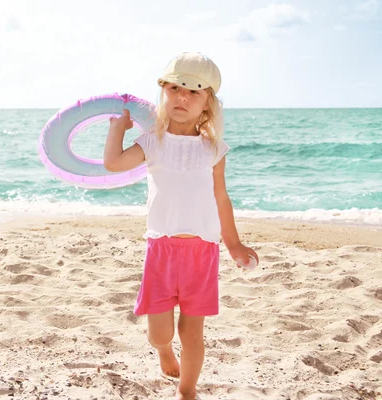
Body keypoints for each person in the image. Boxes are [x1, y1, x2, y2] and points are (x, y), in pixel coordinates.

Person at [103, 52, 259, 400]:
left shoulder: (214, 149)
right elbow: (113, 163)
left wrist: (233, 244)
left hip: (202, 251)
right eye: (174, 89)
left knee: (192, 331)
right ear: (164, 95)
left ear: (207, 105)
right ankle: (162, 351)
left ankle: (187, 391)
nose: (182, 98)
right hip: (162, 249)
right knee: (160, 333)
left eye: (193, 92)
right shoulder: (152, 143)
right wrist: (117, 129)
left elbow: (221, 199)